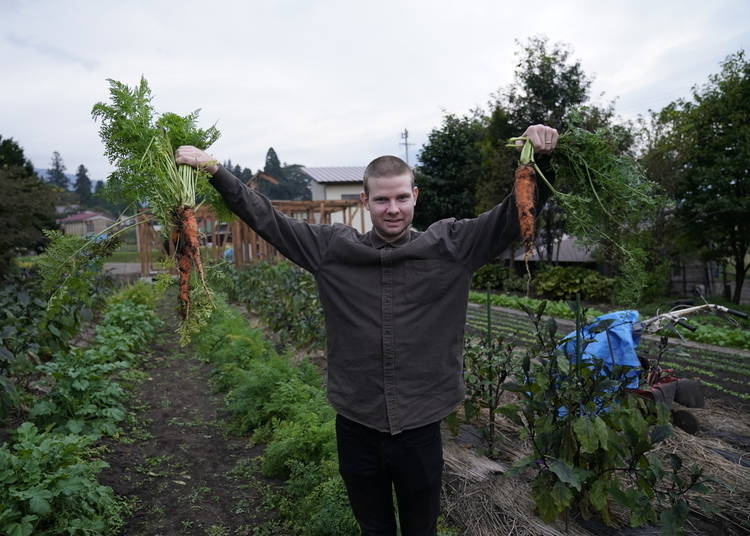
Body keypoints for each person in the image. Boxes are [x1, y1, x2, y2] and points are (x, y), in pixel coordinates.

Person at [175, 124, 558, 535]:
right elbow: (268, 219)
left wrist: (540, 158)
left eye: (400, 198)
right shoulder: (332, 250)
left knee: (420, 529)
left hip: (420, 424)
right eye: (382, 200)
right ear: (365, 201)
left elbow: (512, 215)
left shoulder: (452, 247)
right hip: (357, 423)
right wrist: (216, 171)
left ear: (415, 197)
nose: (392, 209)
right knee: (373, 529)